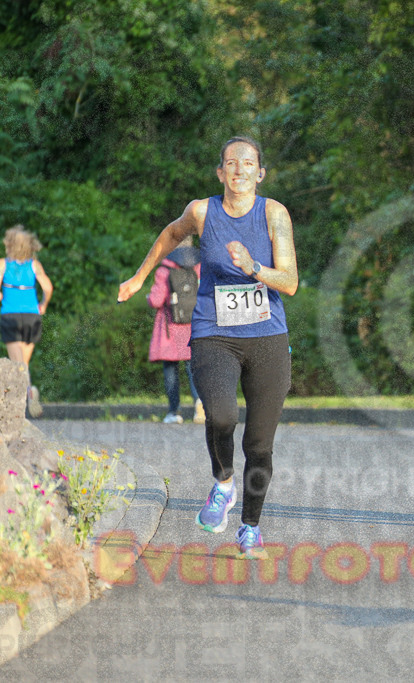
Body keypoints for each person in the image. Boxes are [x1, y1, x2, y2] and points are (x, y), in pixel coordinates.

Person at [117, 136, 297, 558]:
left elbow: (289, 281)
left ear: (260, 172)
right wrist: (140, 277)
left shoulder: (275, 214)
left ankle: (250, 526)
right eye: (230, 163)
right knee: (220, 414)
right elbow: (169, 234)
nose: (239, 169)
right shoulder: (202, 211)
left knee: (259, 444)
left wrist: (254, 267)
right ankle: (223, 483)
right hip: (213, 332)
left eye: (248, 163)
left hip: (267, 335)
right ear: (220, 172)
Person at [0, 225, 53, 418]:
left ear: (9, 244)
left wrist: (2, 296)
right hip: (32, 317)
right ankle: (25, 398)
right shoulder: (34, 265)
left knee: (18, 366)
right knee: (23, 364)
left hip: (11, 317)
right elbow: (48, 288)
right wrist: (43, 304)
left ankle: (24, 400)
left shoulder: (2, 264)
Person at [147, 236, 204, 424]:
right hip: (192, 325)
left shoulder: (164, 269)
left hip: (169, 328)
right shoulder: (198, 267)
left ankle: (174, 411)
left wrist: (149, 297)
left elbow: (156, 300)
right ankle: (199, 404)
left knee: (170, 369)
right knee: (193, 368)